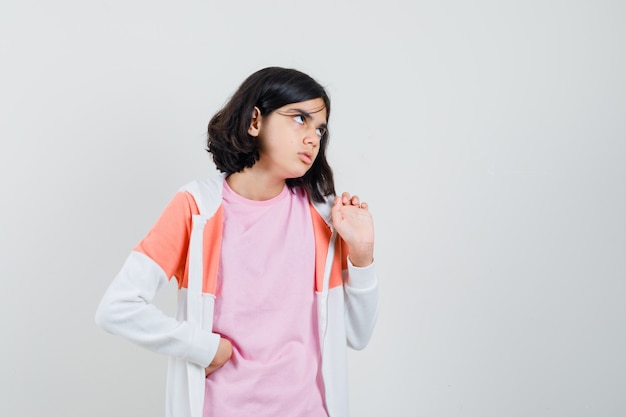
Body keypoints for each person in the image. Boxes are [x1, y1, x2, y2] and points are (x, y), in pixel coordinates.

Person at [95, 66, 379, 417]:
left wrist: (362, 255)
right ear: (255, 121)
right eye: (299, 119)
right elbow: (117, 308)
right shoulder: (197, 208)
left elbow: (355, 335)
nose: (313, 138)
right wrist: (203, 347)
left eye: (320, 128)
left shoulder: (323, 215)